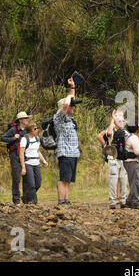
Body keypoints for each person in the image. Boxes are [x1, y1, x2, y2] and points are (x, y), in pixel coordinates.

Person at [53, 77, 81, 205]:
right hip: (65, 153)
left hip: (73, 153)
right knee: (63, 178)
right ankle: (61, 201)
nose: (73, 107)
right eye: (71, 105)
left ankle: (67, 200)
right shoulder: (60, 117)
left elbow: (69, 102)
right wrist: (72, 89)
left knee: (68, 179)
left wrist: (73, 88)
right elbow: (65, 104)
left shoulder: (69, 119)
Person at [97, 110, 128, 209]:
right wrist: (112, 119)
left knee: (123, 180)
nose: (120, 119)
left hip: (122, 158)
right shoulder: (112, 128)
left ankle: (123, 201)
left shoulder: (124, 130)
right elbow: (109, 133)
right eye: (118, 117)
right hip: (113, 158)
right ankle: (112, 202)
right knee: (113, 180)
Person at [1, 111, 30, 204]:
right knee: (16, 178)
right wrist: (13, 138)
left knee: (27, 178)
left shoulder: (27, 130)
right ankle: (16, 199)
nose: (27, 119)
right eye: (26, 118)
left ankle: (25, 198)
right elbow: (2, 138)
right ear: (20, 120)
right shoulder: (13, 130)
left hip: (25, 156)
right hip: (15, 156)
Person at [19, 123, 48, 204]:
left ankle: (26, 197)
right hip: (28, 163)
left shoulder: (36, 138)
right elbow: (21, 153)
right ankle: (34, 202)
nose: (37, 130)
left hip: (36, 163)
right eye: (35, 129)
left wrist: (44, 161)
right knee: (31, 184)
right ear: (30, 131)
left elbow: (37, 151)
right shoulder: (24, 139)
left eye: (36, 128)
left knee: (38, 183)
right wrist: (23, 167)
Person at [123, 124, 139, 209]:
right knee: (136, 182)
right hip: (132, 161)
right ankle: (135, 202)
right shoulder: (134, 137)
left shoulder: (126, 136)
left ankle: (129, 201)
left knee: (133, 182)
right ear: (137, 129)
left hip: (127, 161)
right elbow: (137, 151)